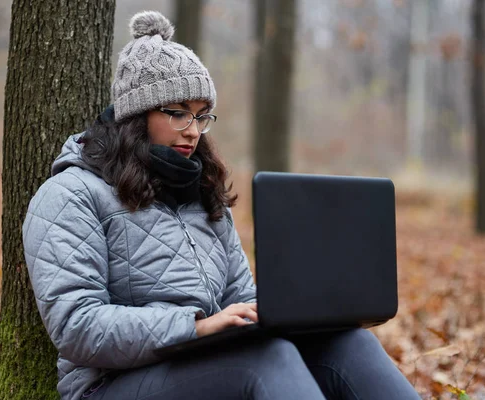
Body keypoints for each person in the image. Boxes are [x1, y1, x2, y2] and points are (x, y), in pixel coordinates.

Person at [22, 10, 421, 400]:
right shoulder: (72, 193)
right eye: (177, 113)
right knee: (264, 361)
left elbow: (239, 298)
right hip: (109, 383)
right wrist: (195, 328)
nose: (193, 131)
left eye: (201, 116)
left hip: (204, 362)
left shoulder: (203, 190)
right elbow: (77, 326)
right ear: (136, 115)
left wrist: (299, 311)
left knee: (349, 345)